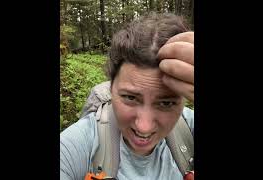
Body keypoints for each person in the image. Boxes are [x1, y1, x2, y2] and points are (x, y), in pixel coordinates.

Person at [60, 12, 194, 180]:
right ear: (111, 87)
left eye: (166, 103)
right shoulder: (78, 144)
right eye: (130, 98)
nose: (144, 127)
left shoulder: (189, 129)